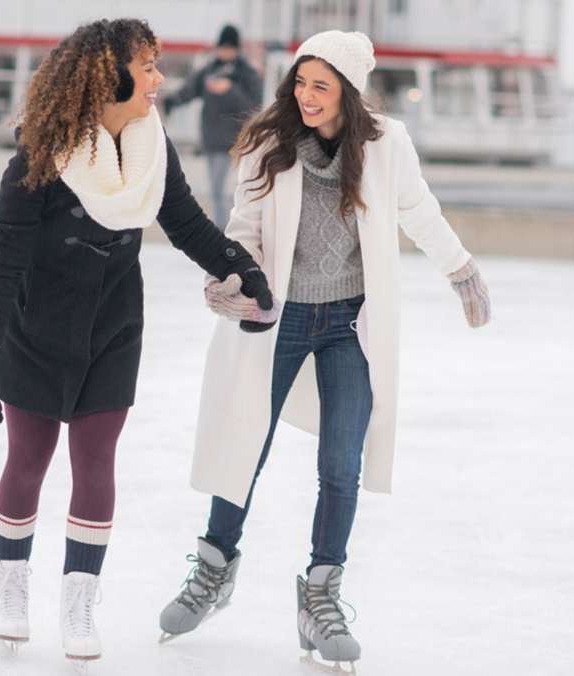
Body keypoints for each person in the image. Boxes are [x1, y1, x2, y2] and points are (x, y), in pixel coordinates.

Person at [156, 31, 492, 674]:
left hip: (348, 323)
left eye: (321, 85)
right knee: (243, 441)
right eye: (300, 83)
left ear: (348, 91)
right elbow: (244, 229)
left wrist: (462, 271)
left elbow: (419, 212)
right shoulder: (265, 141)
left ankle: (320, 594)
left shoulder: (385, 144)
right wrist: (229, 282)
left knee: (341, 462)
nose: (306, 97)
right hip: (277, 318)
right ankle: (216, 567)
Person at [0, 17, 279, 671]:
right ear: (111, 76)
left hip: (112, 328)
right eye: (148, 66)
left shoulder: (150, 150)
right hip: (35, 327)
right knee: (27, 461)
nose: (160, 78)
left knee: (97, 462)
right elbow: (3, 260)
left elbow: (186, 221)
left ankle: (80, 601)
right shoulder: (39, 158)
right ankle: (10, 588)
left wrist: (240, 267)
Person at [162, 24, 264, 231]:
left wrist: (229, 89)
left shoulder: (246, 73)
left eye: (229, 48)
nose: (225, 52)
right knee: (216, 189)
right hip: (211, 137)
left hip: (236, 140)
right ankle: (223, 228)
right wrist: (171, 101)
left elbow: (254, 106)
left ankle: (227, 229)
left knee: (233, 189)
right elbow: (190, 90)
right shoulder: (209, 70)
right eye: (222, 48)